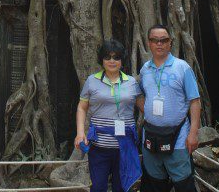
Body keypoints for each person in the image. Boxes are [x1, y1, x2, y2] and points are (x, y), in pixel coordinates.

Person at [75, 39, 144, 192]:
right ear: (102, 60)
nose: (112, 61)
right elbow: (82, 107)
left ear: (122, 60)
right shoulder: (92, 81)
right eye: (108, 57)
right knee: (98, 187)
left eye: (116, 57)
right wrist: (80, 133)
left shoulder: (132, 82)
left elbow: (144, 108)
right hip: (99, 148)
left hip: (124, 147)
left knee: (121, 187)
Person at [139, 24, 201, 192]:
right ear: (149, 43)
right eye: (155, 40)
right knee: (153, 182)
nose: (159, 44)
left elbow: (194, 101)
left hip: (178, 136)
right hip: (151, 135)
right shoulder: (145, 69)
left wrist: (193, 133)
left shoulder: (182, 68)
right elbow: (140, 95)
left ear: (170, 43)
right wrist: (151, 113)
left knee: (183, 182)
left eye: (164, 40)